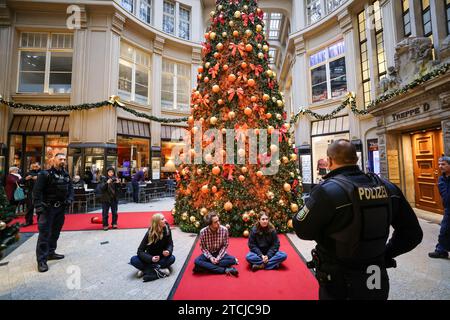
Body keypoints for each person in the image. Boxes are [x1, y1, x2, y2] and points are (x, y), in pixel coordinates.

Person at [293, 139, 423, 300]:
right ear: (356, 159)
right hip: (376, 274)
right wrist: (384, 253)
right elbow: (413, 233)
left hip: (339, 279)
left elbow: (302, 229)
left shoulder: (327, 191)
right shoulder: (388, 187)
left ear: (329, 161)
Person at [33, 153, 74, 273]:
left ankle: (51, 252)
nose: (63, 161)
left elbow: (70, 189)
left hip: (60, 209)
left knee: (55, 232)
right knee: (44, 234)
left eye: (64, 159)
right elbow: (37, 192)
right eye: (60, 159)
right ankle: (41, 260)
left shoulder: (66, 174)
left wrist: (70, 199)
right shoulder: (44, 174)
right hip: (47, 209)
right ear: (54, 160)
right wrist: (39, 207)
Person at [130, 213, 175, 282]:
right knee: (133, 260)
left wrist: (168, 251)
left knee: (172, 258)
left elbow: (170, 244)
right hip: (150, 259)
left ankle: (146, 271)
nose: (165, 220)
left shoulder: (167, 229)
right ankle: (158, 270)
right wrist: (151, 258)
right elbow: (140, 251)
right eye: (162, 219)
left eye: (164, 218)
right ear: (157, 222)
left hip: (161, 258)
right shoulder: (150, 233)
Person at [193, 211, 239, 277]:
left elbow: (225, 245)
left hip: (219, 253)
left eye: (218, 220)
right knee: (197, 261)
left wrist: (218, 258)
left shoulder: (224, 230)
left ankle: (205, 267)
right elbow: (203, 248)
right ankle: (225, 270)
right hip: (209, 254)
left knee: (232, 260)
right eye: (215, 222)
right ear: (209, 224)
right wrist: (211, 258)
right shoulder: (203, 232)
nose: (218, 223)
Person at [428, 156, 450, 259]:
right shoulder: (441, 178)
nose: (440, 166)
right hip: (448, 208)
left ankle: (441, 250)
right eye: (439, 164)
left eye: (443, 164)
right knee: (444, 230)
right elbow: (444, 195)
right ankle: (441, 250)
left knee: (444, 230)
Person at [22, 162, 41, 226]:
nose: (35, 167)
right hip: (31, 191)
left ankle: (40, 221)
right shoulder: (28, 173)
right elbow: (21, 181)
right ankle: (28, 221)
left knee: (40, 207)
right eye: (34, 166)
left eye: (37, 166)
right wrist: (26, 178)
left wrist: (38, 178)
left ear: (39, 166)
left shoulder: (42, 173)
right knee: (30, 207)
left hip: (40, 192)